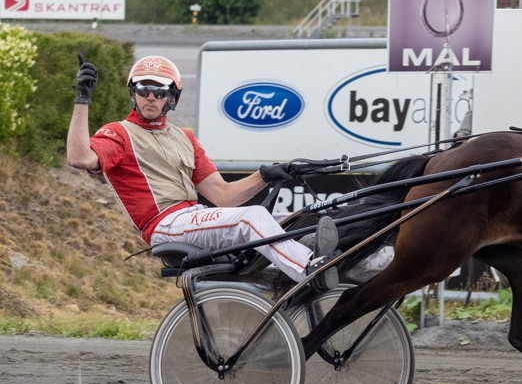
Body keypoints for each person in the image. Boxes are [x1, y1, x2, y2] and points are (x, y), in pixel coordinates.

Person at [66, 53, 338, 290]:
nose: (150, 96)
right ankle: (308, 271)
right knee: (252, 217)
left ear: (172, 97)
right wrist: (82, 98)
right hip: (164, 225)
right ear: (133, 93)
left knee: (293, 217)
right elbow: (79, 157)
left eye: (159, 90)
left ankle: (349, 263)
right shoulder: (118, 133)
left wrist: (265, 175)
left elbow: (223, 196)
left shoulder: (185, 137)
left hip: (194, 218)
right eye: (143, 88)